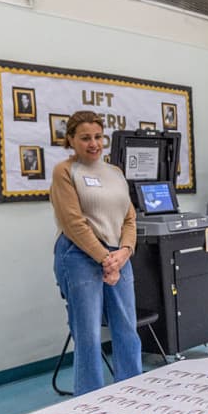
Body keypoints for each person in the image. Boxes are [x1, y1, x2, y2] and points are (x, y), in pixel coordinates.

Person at [50, 110, 143, 395]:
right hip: (79, 256)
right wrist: (105, 258)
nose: (93, 144)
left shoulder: (115, 172)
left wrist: (124, 252)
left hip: (119, 256)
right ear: (71, 141)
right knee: (88, 333)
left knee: (127, 326)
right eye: (85, 138)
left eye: (98, 137)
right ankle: (89, 399)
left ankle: (132, 388)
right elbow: (73, 222)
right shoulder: (65, 171)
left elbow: (129, 218)